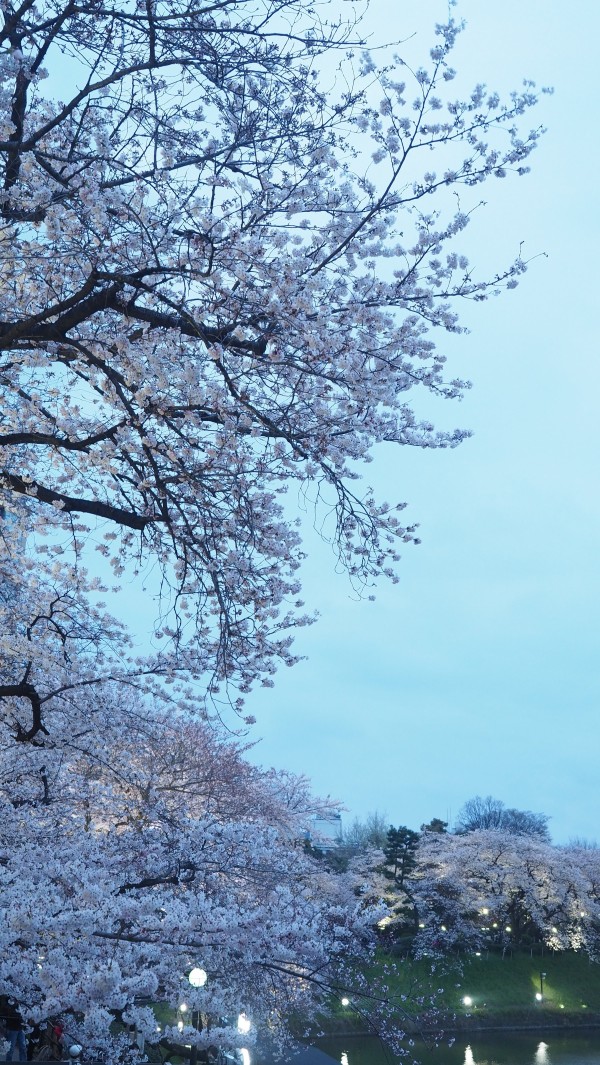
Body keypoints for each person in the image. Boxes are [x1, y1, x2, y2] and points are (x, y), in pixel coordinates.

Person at [0, 997, 27, 1063]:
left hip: (21, 1028)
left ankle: (23, 1062)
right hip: (12, 1028)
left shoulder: (22, 1002)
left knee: (23, 1047)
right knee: (10, 1049)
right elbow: (6, 1012)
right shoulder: (9, 1002)